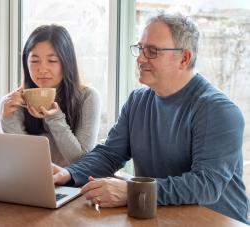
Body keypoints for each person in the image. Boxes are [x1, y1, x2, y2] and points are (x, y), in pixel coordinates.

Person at [52, 12, 249, 224]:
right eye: (141, 48)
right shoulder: (138, 101)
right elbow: (109, 154)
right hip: (159, 217)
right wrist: (69, 174)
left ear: (184, 58)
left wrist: (132, 191)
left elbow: (206, 185)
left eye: (152, 51)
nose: (140, 58)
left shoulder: (217, 110)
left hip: (214, 221)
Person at [0, 25, 101, 167]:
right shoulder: (13, 102)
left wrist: (54, 117)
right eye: (34, 61)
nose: (42, 69)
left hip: (73, 186)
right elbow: (23, 161)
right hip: (31, 182)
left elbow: (80, 160)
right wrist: (8, 119)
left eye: (52, 61)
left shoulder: (88, 97)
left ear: (67, 62)